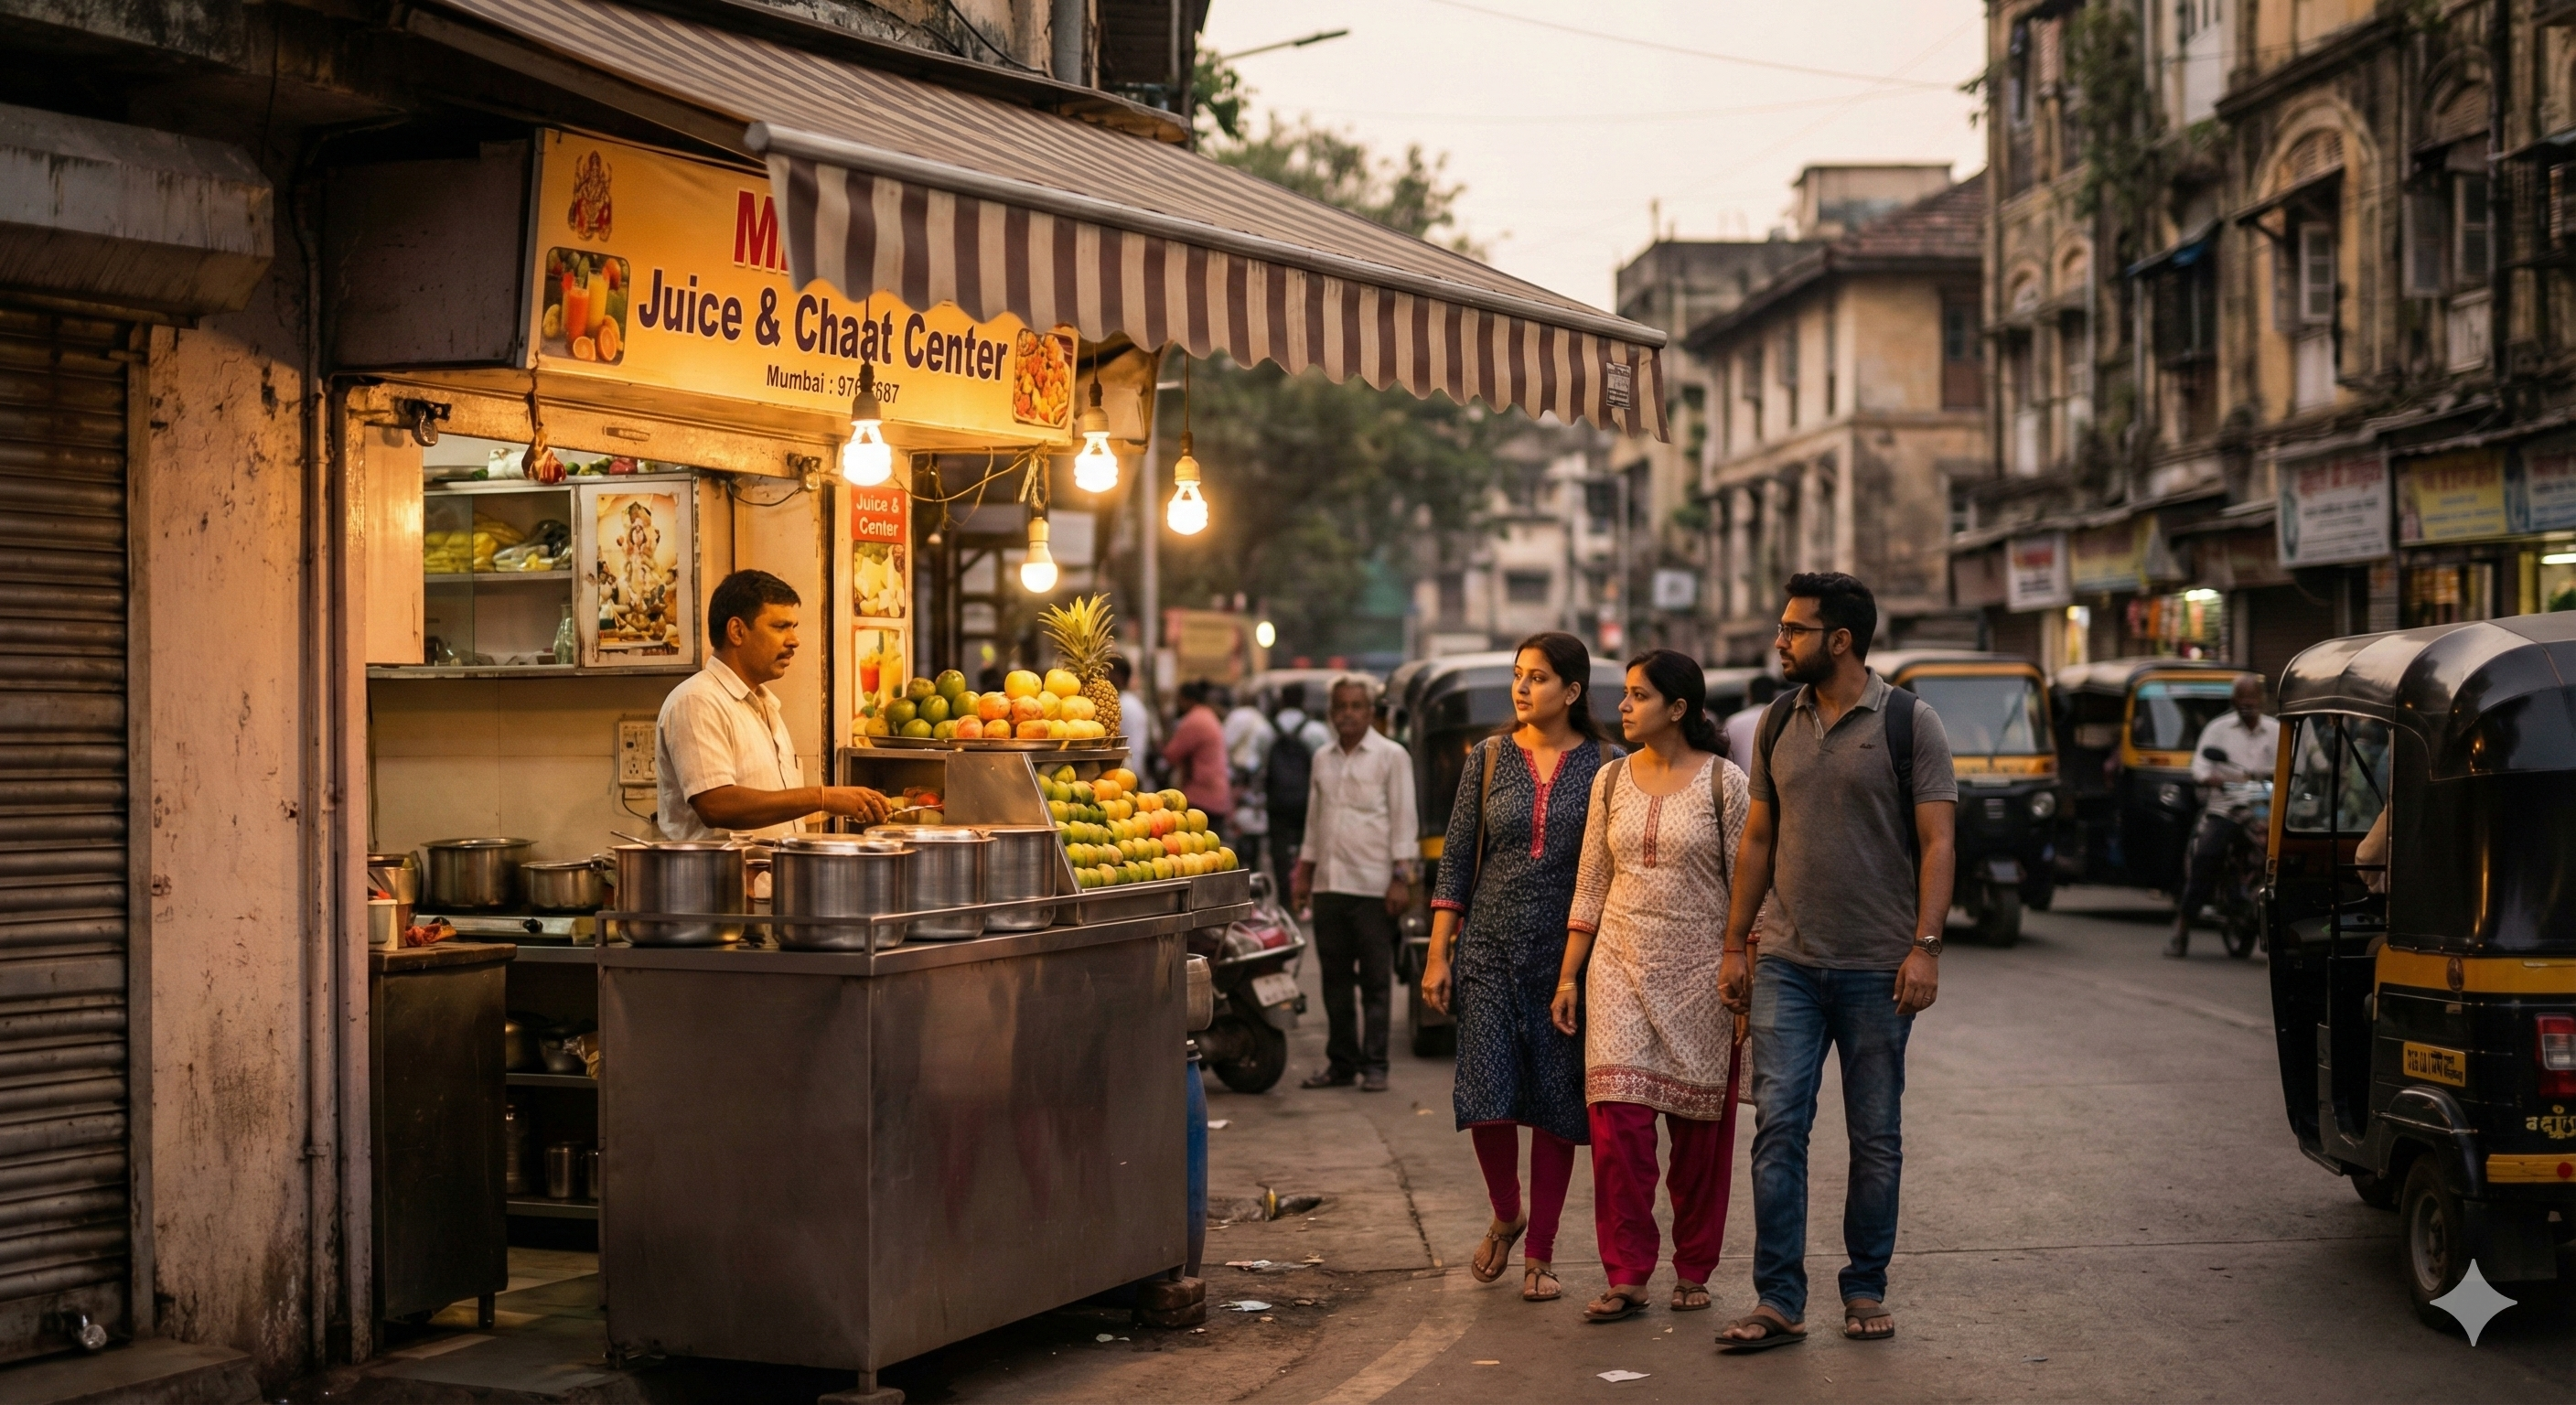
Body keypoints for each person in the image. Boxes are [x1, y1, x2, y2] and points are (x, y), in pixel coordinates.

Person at [1716, 573, 1956, 1352]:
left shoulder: (1910, 724)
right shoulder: (1778, 720)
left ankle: (1864, 1287)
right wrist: (1734, 942)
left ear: (1841, 640)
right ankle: (1779, 1298)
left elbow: (1937, 843)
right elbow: (1757, 839)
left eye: (1794, 629)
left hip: (1877, 969)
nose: (1779, 642)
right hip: (1787, 960)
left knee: (1875, 1135)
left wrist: (1924, 948)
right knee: (1778, 1128)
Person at [1552, 649, 1751, 1321]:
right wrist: (1569, 976)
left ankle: (1694, 1266)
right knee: (1618, 1132)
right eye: (1625, 694)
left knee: (1700, 1140)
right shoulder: (1610, 781)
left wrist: (1743, 962)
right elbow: (1590, 883)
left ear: (1678, 708)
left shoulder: (1726, 785)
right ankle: (1628, 1271)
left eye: (1638, 696)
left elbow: (1750, 888)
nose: (1623, 707)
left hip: (1702, 976)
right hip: (1618, 969)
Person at [1422, 633, 1614, 1304]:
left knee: (1557, 1107)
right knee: (1486, 1097)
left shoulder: (1604, 766)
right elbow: (1455, 861)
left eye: (1538, 677)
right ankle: (1508, 1211)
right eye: (1518, 675)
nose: (1523, 687)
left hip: (1563, 959)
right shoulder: (1489, 757)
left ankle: (1541, 1253)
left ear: (1573, 690)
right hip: (1488, 953)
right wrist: (1437, 950)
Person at [656, 570, 893, 841]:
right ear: (737, 631)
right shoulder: (697, 701)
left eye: (794, 627)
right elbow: (716, 805)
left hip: (767, 880)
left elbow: (774, 810)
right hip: (719, 881)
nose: (794, 640)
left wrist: (836, 806)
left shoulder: (765, 705)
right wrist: (823, 797)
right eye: (780, 627)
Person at [1294, 677, 1421, 1094]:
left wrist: (1402, 879)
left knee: (1375, 982)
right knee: (1334, 981)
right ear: (1330, 713)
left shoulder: (1391, 757)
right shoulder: (1321, 759)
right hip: (1330, 885)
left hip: (1373, 886)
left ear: (1371, 712)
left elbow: (1404, 822)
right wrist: (1304, 872)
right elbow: (1315, 821)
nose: (1347, 713)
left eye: (1355, 706)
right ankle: (1342, 1063)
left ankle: (1376, 1064)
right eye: (1340, 706)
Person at [2168, 674, 2280, 958]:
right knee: (2207, 854)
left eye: (2252, 703)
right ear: (2233, 702)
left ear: (2262, 701)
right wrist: (2210, 778)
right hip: (2227, 808)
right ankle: (2182, 927)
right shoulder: (2217, 730)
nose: (2247, 709)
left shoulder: (2278, 731)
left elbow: (2303, 764)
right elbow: (2200, 767)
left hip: (2269, 809)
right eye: (2241, 704)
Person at [1266, 682, 1327, 890]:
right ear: (1303, 700)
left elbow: (1255, 765)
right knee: (1307, 845)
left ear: (1281, 700)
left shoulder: (1266, 729)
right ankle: (1303, 886)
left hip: (1277, 800)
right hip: (1306, 800)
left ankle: (1284, 891)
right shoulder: (1315, 730)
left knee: (1279, 848)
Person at [1162, 681, 1231, 839]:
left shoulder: (1194, 721)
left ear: (1188, 700)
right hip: (1216, 793)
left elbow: (1172, 754)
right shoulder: (1207, 715)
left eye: (1179, 700)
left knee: (1199, 850)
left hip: (1202, 796)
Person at [1222, 686, 1277, 877]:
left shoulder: (1239, 716)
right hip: (1257, 783)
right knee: (1254, 826)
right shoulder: (1264, 723)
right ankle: (1254, 870)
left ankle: (1240, 869)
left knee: (1238, 828)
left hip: (1239, 779)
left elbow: (1225, 744)